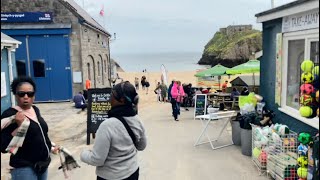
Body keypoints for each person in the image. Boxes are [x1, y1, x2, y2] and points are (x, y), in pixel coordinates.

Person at [80, 81, 147, 180]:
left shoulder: (107, 126)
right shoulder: (137, 120)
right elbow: (141, 146)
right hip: (132, 173)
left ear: (122, 100)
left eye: (112, 94)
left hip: (110, 177)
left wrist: (83, 154)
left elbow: (97, 159)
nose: (109, 97)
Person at [1, 76, 57, 180]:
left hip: (43, 165)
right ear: (15, 95)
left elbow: (41, 134)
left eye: (30, 94)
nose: (26, 97)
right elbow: (3, 147)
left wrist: (51, 147)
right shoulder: (10, 114)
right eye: (22, 94)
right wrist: (19, 127)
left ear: (34, 96)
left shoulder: (35, 110)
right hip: (24, 168)